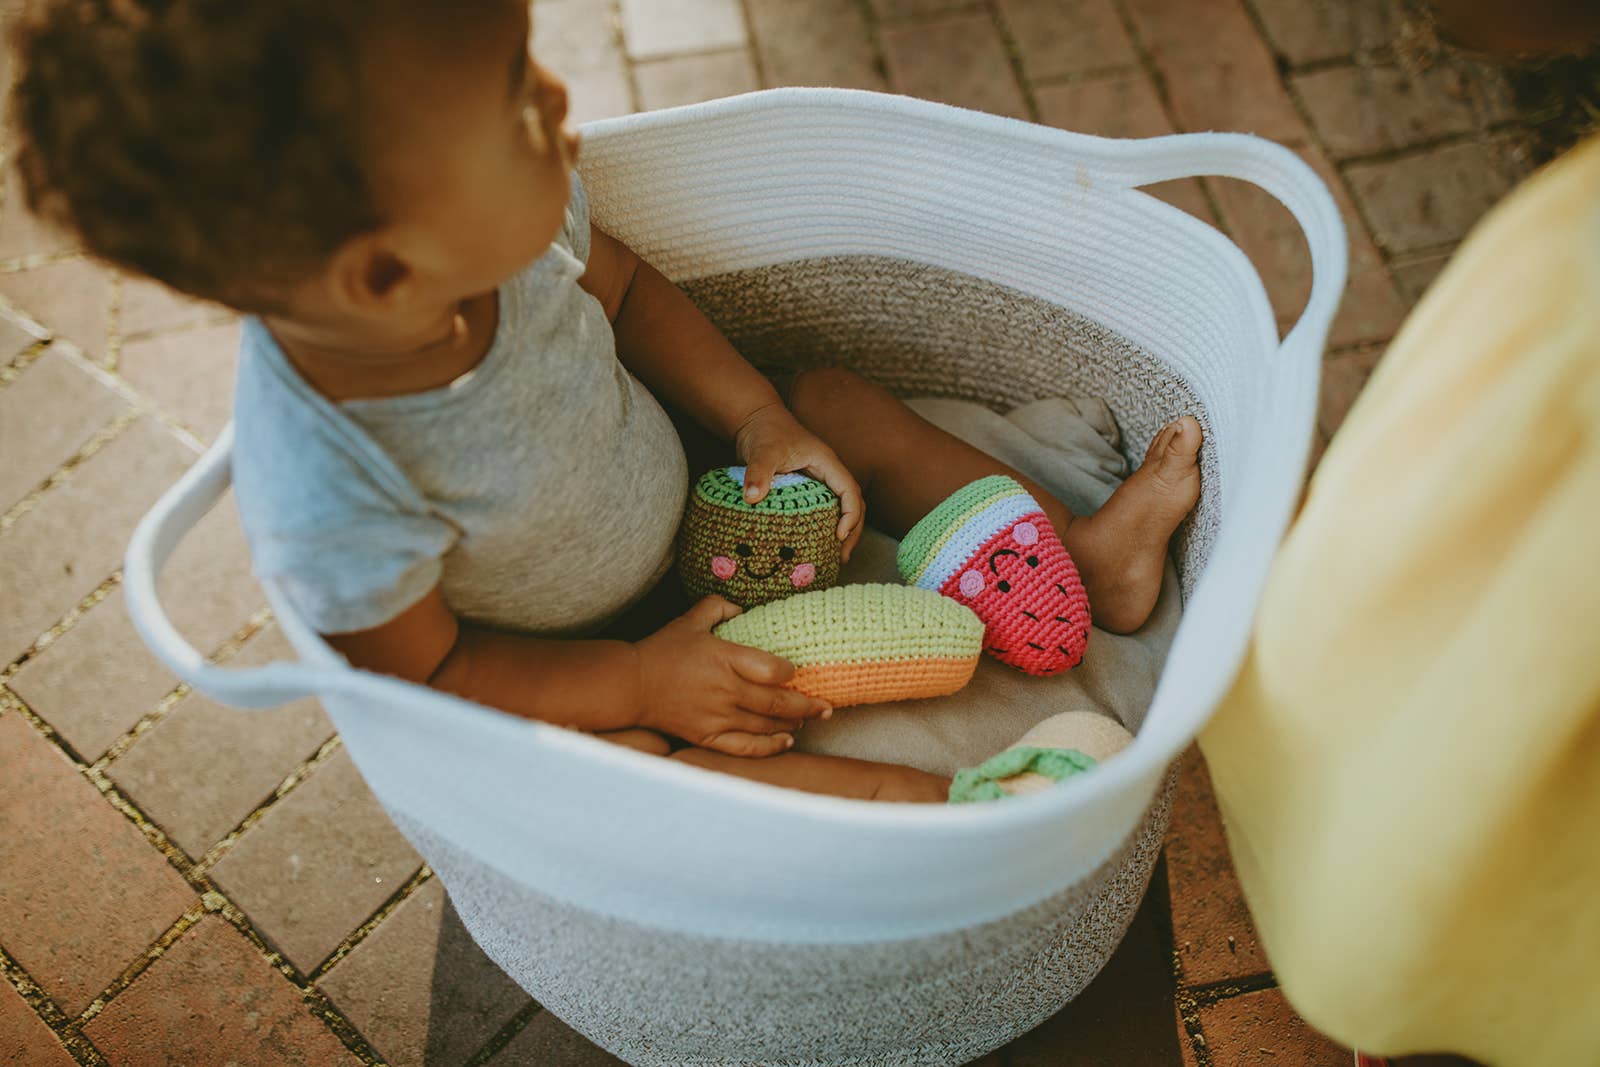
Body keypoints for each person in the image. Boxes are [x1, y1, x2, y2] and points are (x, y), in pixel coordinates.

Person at [9, 0, 1200, 803]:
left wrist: (758, 421)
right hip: (582, 651)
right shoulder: (330, 488)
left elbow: (628, 295)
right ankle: (959, 808)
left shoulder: (515, 230)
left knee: (834, 392)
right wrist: (634, 682)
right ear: (384, 273)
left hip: (706, 488)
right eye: (515, 104)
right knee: (668, 771)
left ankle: (1079, 559)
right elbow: (430, 675)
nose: (560, 103)